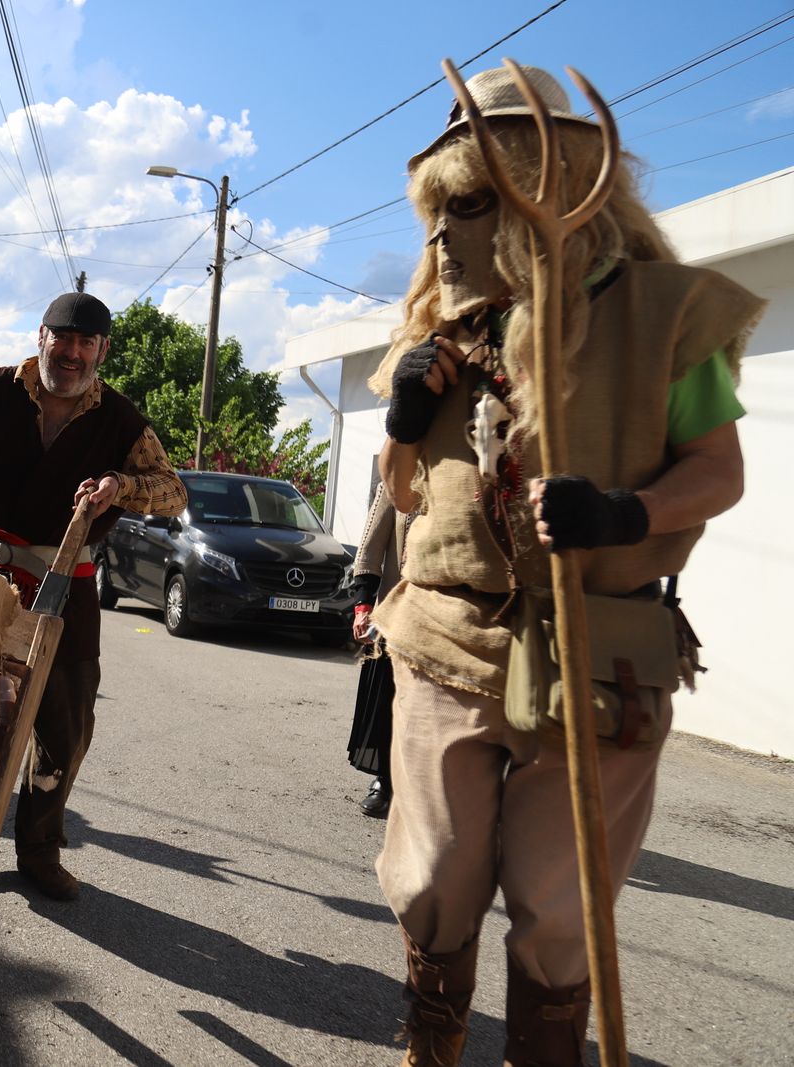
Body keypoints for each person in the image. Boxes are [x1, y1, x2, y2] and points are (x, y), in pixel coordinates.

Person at [369, 66, 764, 1065]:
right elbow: (404, 494)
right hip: (445, 639)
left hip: (598, 652)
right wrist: (404, 419)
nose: (444, 233)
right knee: (433, 879)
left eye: (470, 202)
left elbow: (719, 471)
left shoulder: (664, 312)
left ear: (547, 183)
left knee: (557, 909)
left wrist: (625, 511)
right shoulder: (436, 330)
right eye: (437, 209)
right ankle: (430, 1046)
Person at [0, 291, 187, 901]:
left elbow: (173, 492)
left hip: (65, 587)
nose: (71, 353)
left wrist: (120, 486)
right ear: (41, 337)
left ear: (102, 350)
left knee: (65, 727)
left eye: (85, 343)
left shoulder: (122, 420)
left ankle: (39, 851)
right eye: (62, 338)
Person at [345, 482, 412, 817]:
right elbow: (371, 549)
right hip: (397, 613)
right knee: (389, 700)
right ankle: (384, 780)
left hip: (449, 619)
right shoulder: (399, 478)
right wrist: (363, 606)